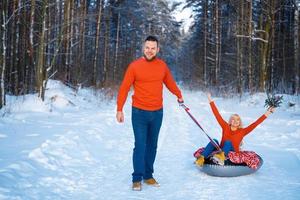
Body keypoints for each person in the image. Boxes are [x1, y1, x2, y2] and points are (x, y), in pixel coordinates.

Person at [116, 35, 183, 191]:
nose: (150, 50)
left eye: (153, 48)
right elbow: (124, 88)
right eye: (147, 47)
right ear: (143, 48)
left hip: (157, 113)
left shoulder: (162, 66)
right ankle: (137, 178)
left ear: (157, 49)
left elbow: (170, 83)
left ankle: (148, 175)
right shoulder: (134, 66)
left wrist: (178, 94)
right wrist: (119, 109)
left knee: (152, 146)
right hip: (139, 112)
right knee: (140, 145)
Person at [195, 92, 275, 166]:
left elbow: (256, 123)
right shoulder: (225, 126)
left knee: (228, 142)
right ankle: (201, 159)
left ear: (240, 122)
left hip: (233, 151)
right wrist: (210, 100)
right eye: (233, 119)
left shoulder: (242, 131)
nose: (235, 121)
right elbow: (217, 114)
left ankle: (221, 158)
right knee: (214, 140)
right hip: (222, 149)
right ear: (230, 121)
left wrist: (268, 112)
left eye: (238, 120)